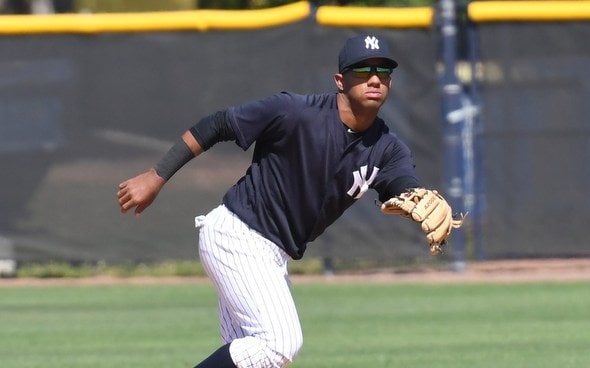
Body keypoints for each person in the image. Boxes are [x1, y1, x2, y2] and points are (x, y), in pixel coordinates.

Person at [117, 34, 458, 368]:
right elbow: (218, 124)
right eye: (362, 70)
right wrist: (156, 175)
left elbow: (403, 184)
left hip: (272, 252)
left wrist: (418, 199)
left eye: (383, 72)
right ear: (340, 80)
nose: (374, 78)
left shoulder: (387, 146)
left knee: (260, 359)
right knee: (279, 343)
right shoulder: (295, 112)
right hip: (239, 235)